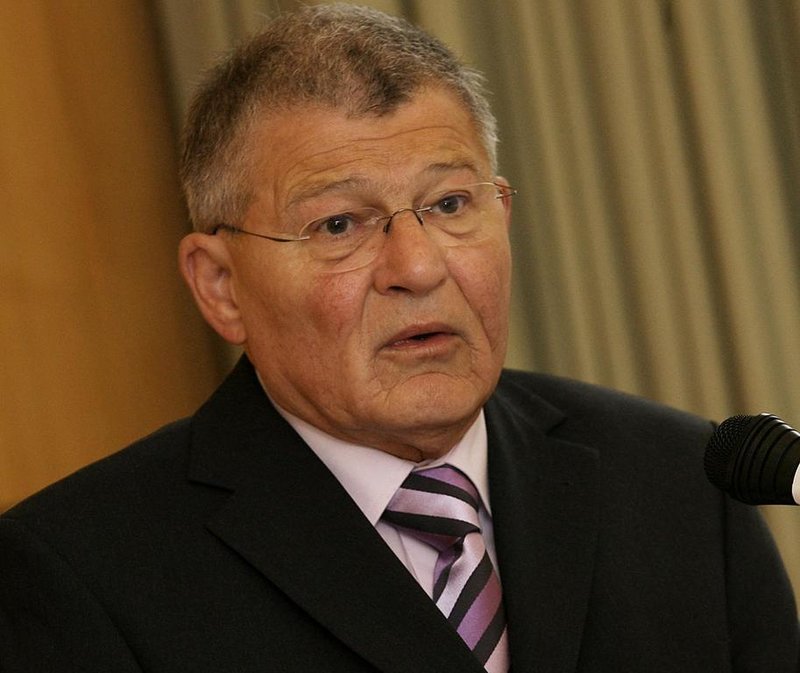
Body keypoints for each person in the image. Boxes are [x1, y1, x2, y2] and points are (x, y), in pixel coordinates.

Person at [0, 4, 797, 672]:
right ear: (220, 285)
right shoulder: (81, 575)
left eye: (450, 205)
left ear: (503, 215)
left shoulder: (681, 482)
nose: (418, 266)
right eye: (339, 224)